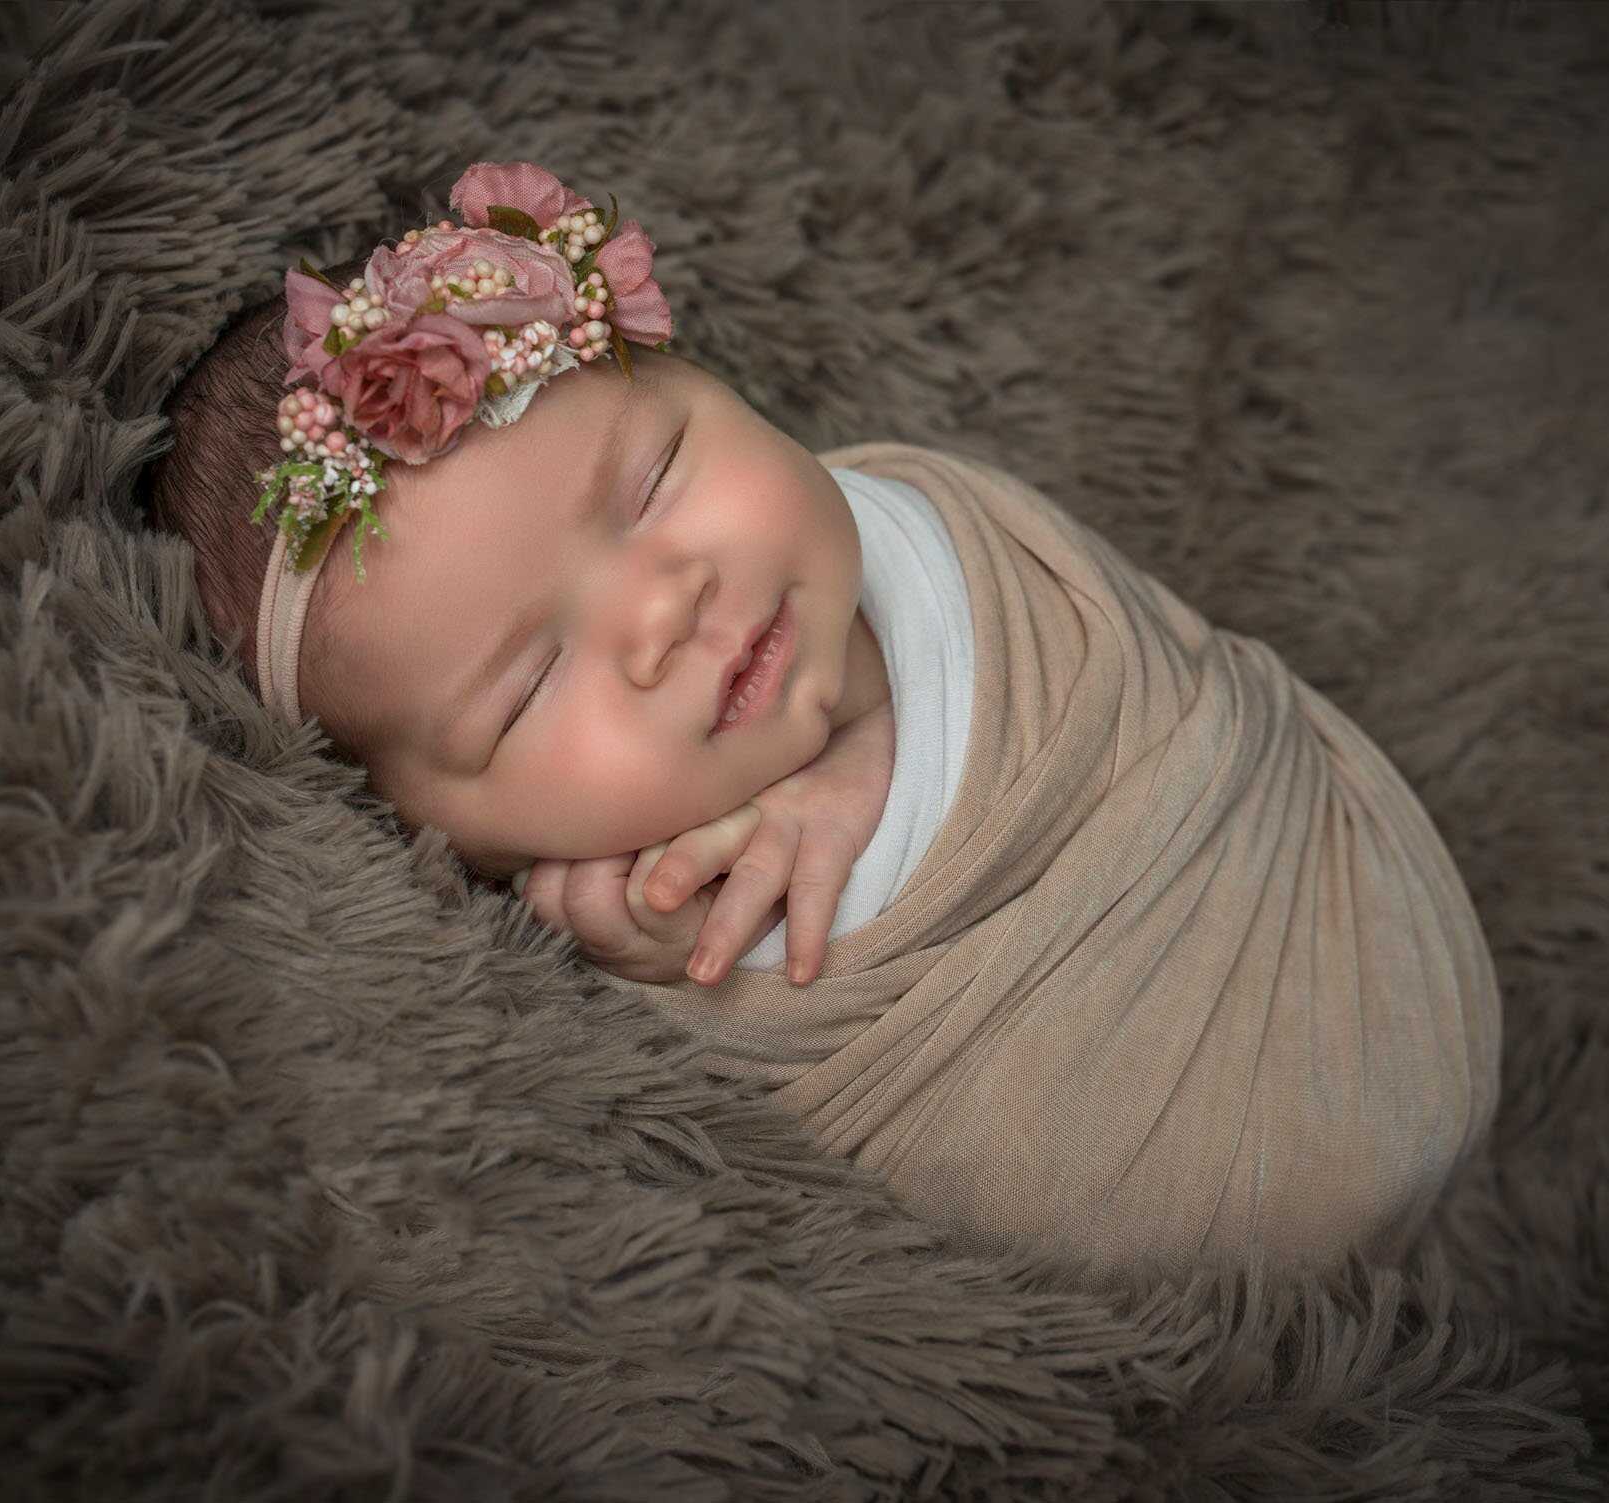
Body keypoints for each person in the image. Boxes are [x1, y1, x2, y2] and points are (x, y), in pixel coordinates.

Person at [147, 160, 1503, 1291]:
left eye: (653, 482)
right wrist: (687, 985)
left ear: (712, 386)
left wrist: (860, 751)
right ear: (430, 833)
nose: (665, 609)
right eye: (533, 684)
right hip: (1183, 1222)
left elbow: (1092, 642)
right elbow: (754, 1192)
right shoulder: (587, 939)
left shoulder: (922, 521)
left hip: (1321, 894)